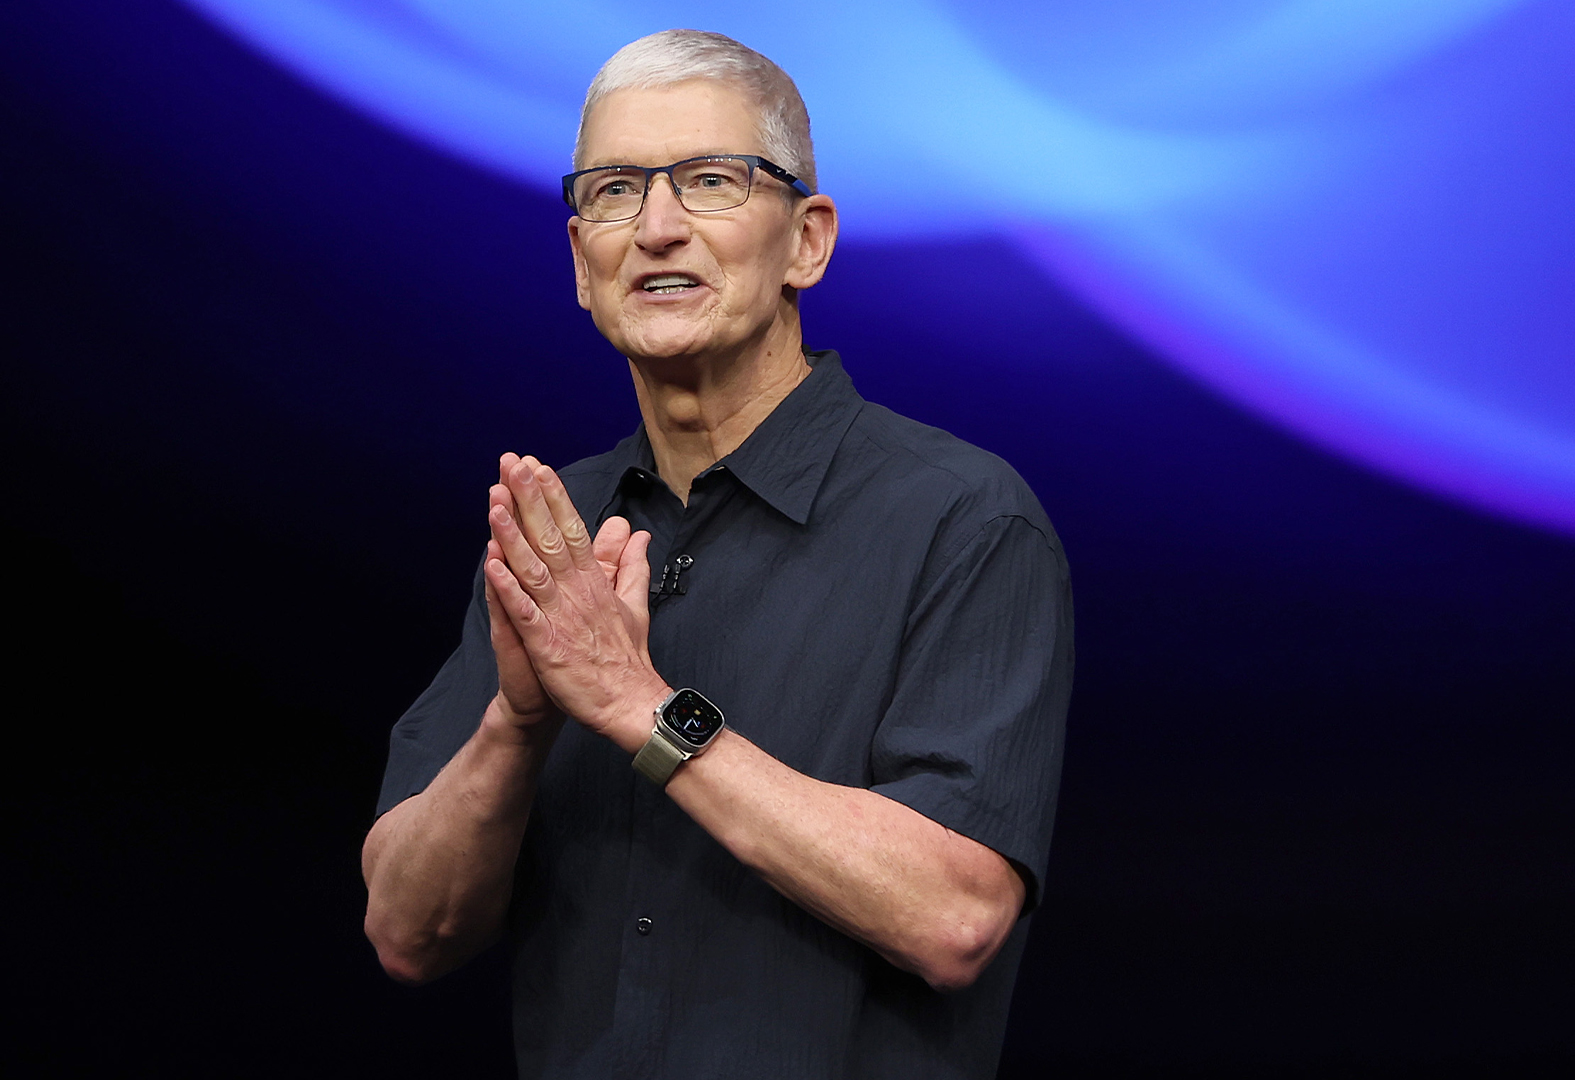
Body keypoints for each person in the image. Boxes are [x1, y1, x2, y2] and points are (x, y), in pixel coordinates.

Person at [359, 29, 1073, 1078]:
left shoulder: (962, 518)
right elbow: (406, 931)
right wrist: (519, 721)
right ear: (582, 264)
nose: (657, 228)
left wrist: (636, 705)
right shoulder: (557, 534)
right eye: (616, 190)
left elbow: (953, 914)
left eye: (709, 181)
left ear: (807, 242)